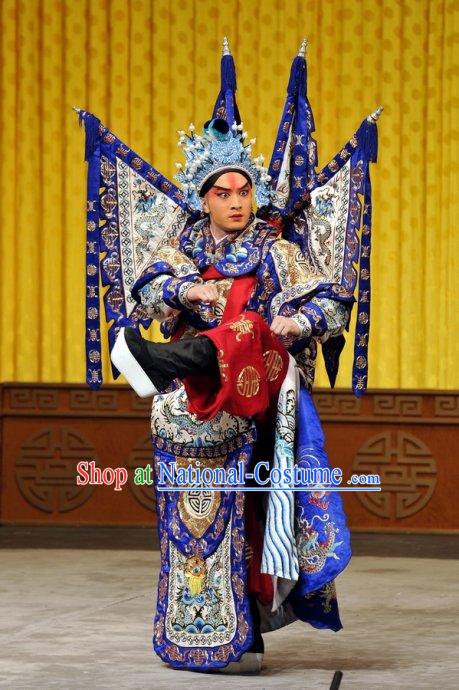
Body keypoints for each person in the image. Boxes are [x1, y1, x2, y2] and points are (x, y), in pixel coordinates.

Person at [111, 117, 353, 674]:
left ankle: (153, 359)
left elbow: (333, 303)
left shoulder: (276, 250)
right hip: (195, 401)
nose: (237, 203)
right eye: (224, 193)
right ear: (205, 199)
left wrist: (296, 325)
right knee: (192, 524)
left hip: (255, 388)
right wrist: (186, 287)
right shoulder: (185, 247)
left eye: (244, 192)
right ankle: (195, 630)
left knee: (247, 333)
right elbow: (146, 288)